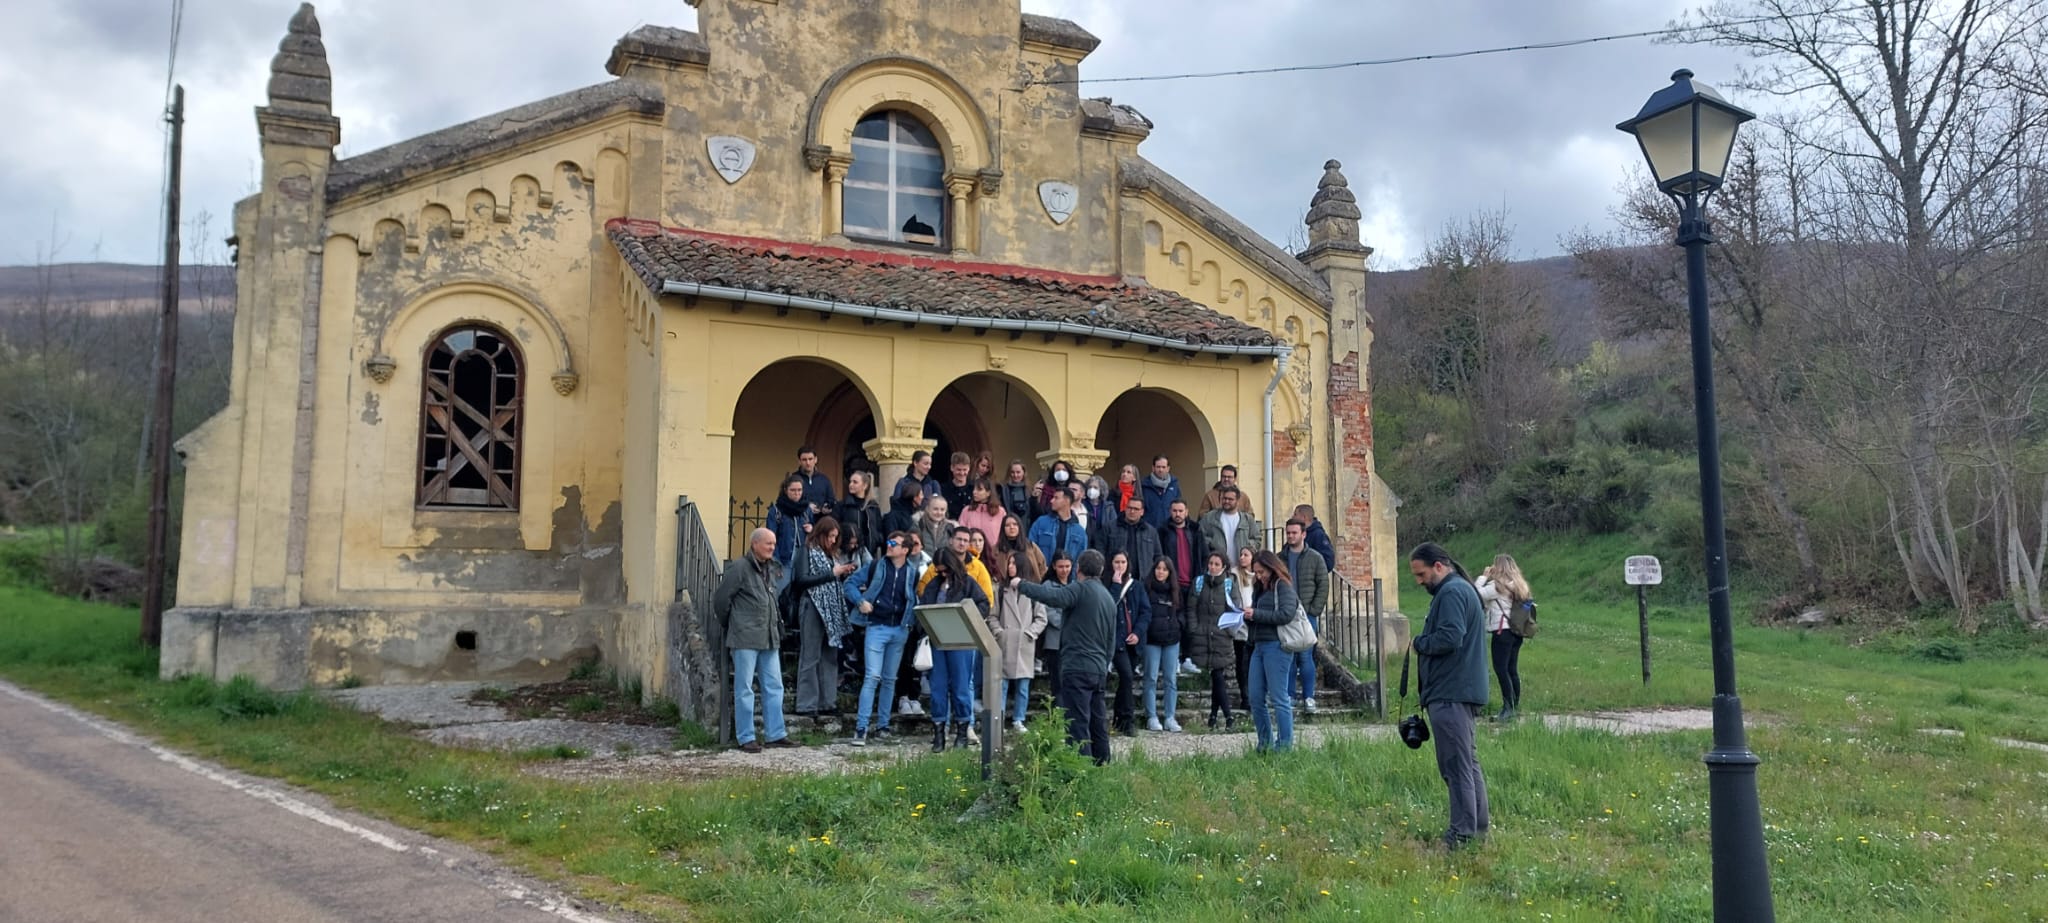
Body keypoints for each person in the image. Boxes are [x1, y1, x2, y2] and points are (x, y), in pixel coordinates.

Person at [1409, 542, 1492, 849]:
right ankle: (1476, 829)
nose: (1419, 581)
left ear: (1439, 566)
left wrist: (1420, 643)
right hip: (1458, 689)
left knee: (1456, 767)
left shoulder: (1452, 592)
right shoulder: (1459, 589)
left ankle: (1461, 834)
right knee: (1466, 763)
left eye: (1421, 574)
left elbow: (1450, 636)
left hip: (1451, 692)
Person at [1014, 549, 1117, 765]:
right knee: (1098, 722)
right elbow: (1111, 640)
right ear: (1101, 570)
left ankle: (1080, 769)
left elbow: (1052, 597)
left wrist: (1021, 584)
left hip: (1077, 667)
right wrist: (1104, 665)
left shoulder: (1079, 589)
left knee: (1077, 723)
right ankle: (1103, 765)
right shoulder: (1108, 597)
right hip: (1098, 668)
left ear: (1078, 568)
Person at [710, 528, 800, 753]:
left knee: (774, 686)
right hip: (745, 637)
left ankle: (775, 734)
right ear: (755, 544)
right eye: (768, 543)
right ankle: (746, 737)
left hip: (769, 637)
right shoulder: (740, 568)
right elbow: (721, 600)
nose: (772, 547)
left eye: (774, 543)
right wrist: (732, 624)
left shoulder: (770, 568)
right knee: (744, 689)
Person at [844, 531, 918, 746]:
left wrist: (910, 624)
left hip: (900, 629)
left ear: (905, 550)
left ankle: (883, 727)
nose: (889, 545)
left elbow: (913, 598)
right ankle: (861, 728)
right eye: (888, 541)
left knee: (889, 679)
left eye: (894, 543)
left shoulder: (912, 572)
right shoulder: (876, 566)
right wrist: (860, 602)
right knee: (872, 677)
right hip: (876, 627)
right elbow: (849, 584)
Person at [918, 546, 992, 752]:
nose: (943, 574)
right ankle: (939, 733)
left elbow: (984, 604)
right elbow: (923, 608)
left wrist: (966, 620)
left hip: (962, 641)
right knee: (938, 688)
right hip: (938, 641)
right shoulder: (933, 585)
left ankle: (962, 731)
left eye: (946, 570)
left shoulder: (968, 583)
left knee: (961, 687)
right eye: (939, 570)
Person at [790, 516, 858, 716]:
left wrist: (841, 572)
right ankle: (806, 704)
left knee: (829, 656)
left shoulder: (830, 555)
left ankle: (828, 702)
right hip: (812, 605)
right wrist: (832, 574)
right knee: (810, 656)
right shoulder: (806, 551)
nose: (833, 540)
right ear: (821, 534)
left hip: (831, 609)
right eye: (830, 536)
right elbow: (801, 580)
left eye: (836, 537)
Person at [1244, 549, 1303, 753]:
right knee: (1255, 697)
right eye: (1256, 572)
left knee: (1279, 698)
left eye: (1262, 571)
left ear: (1271, 568)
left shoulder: (1282, 585)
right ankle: (1265, 744)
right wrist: (1247, 616)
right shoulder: (1259, 588)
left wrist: (1256, 614)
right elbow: (1259, 614)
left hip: (1277, 646)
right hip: (1258, 645)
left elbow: (1286, 614)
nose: (1259, 576)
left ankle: (1284, 746)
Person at [990, 549, 1048, 733]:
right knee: (1002, 684)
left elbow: (1041, 618)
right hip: (1005, 642)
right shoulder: (1001, 590)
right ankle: (998, 719)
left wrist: (1030, 633)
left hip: (1024, 644)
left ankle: (1018, 719)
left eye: (1014, 563)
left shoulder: (1033, 591)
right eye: (1009, 563)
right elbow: (992, 617)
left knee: (1023, 686)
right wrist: (999, 632)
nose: (1010, 566)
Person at [1282, 519, 1330, 715]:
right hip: (1286, 614)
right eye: (1288, 533)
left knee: (1305, 656)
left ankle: (1309, 697)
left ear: (1303, 534)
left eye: (1294, 532)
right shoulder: (1280, 558)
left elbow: (1323, 584)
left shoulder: (1315, 558)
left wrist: (1313, 610)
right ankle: (1289, 695)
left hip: (1306, 614)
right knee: (1288, 656)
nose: (1290, 536)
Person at [1477, 553, 1532, 721]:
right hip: (1518, 630)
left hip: (1502, 631)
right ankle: (1514, 705)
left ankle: (1507, 708)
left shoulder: (1497, 586)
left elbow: (1475, 593)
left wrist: (1483, 576)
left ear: (1498, 567)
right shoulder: (1520, 585)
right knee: (1512, 669)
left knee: (1501, 669)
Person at [1188, 552, 1240, 729]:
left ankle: (1224, 716)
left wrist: (1229, 631)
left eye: (1217, 564)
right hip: (1202, 635)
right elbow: (1191, 608)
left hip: (1221, 636)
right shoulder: (1199, 583)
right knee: (1216, 676)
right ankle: (1217, 716)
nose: (1213, 567)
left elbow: (1235, 609)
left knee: (1217, 675)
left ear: (1223, 567)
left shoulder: (1229, 585)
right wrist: (1194, 629)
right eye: (1211, 563)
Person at [1103, 550, 1150, 737]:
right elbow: (1108, 607)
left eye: (1123, 562)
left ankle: (1119, 719)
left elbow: (1145, 612)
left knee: (1126, 680)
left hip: (1133, 641)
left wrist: (1138, 632)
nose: (1120, 566)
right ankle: (1128, 720)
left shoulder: (1136, 586)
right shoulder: (1106, 585)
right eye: (1116, 562)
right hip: (1116, 640)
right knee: (1127, 676)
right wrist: (1115, 585)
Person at [1157, 498, 1207, 674]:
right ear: (1170, 512)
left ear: (1186, 512)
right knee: (1174, 621)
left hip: (1192, 583)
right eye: (1174, 511)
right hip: (1173, 584)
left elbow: (1203, 555)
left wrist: (1200, 578)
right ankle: (1174, 659)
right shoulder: (1163, 531)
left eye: (1180, 511)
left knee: (1191, 621)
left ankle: (1187, 658)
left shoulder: (1195, 530)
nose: (1177, 514)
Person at [1140, 556, 1185, 732]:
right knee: (1150, 677)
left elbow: (1181, 612)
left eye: (1165, 569)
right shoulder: (1146, 588)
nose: (1161, 572)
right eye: (1158, 568)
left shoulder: (1175, 591)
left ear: (1169, 572)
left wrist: (1178, 625)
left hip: (1171, 639)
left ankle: (1170, 717)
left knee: (1170, 679)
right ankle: (1151, 716)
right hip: (1152, 639)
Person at [894, 532, 931, 720]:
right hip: (903, 617)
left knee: (917, 660)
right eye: (910, 543)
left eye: (917, 542)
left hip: (921, 617)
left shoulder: (930, 564)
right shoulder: (900, 564)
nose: (914, 546)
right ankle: (902, 697)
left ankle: (914, 697)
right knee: (904, 660)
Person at [1198, 484, 1260, 569]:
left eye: (1230, 499)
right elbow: (1200, 536)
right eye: (1224, 498)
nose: (1226, 501)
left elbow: (1257, 538)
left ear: (1237, 501)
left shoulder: (1247, 519)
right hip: (1218, 568)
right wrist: (1212, 543)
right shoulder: (1210, 518)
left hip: (1241, 568)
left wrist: (1247, 546)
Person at [1099, 496, 1162, 576]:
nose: (1132, 511)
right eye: (1129, 508)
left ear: (1142, 512)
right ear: (1125, 508)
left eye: (1136, 509)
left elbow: (1158, 557)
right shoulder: (1109, 528)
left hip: (1143, 579)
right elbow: (1100, 552)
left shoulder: (1151, 532)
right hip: (1115, 577)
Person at [1028, 485, 1089, 564]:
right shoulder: (1041, 522)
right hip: (1043, 570)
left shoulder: (1079, 531)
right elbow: (1030, 548)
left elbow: (1080, 558)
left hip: (1068, 571)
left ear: (1066, 501)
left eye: (1056, 498)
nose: (1051, 501)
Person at [1038, 551, 1073, 682]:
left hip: (1071, 642)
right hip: (1054, 641)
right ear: (1054, 566)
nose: (1064, 570)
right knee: (1057, 680)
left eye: (1067, 566)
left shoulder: (1074, 585)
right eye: (1061, 566)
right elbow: (1048, 612)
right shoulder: (1047, 586)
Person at [1230, 545, 1257, 716]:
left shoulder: (1258, 577)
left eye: (1246, 554)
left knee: (1255, 664)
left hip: (1256, 625)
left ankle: (1256, 696)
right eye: (1240, 554)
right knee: (1242, 663)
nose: (1242, 557)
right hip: (1240, 625)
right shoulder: (1234, 575)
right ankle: (1245, 697)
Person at [763, 476, 813, 567]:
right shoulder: (776, 510)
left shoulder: (806, 510)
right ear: (786, 490)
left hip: (803, 557)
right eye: (793, 490)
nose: (797, 493)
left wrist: (811, 528)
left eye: (799, 490)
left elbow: (815, 532)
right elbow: (770, 537)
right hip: (784, 558)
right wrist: (776, 560)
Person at [835, 470, 884, 558]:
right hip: (848, 552)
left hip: (870, 552)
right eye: (850, 481)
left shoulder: (873, 507)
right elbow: (835, 526)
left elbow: (879, 528)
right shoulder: (842, 505)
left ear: (865, 486)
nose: (851, 485)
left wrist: (877, 539)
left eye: (855, 482)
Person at [958, 477, 1007, 544]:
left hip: (993, 549)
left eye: (979, 489)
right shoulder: (967, 510)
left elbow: (1004, 534)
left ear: (988, 493)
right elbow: (961, 532)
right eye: (974, 489)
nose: (974, 492)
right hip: (971, 549)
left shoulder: (1000, 511)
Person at [790, 446, 836, 516]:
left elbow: (832, 500)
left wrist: (827, 507)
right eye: (804, 460)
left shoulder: (824, 479)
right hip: (800, 519)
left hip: (821, 519)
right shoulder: (792, 479)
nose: (808, 463)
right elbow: (786, 502)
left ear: (815, 460)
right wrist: (806, 507)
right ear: (799, 461)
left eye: (810, 459)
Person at [1140, 455, 1182, 529]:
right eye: (1158, 467)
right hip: (1150, 529)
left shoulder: (1174, 484)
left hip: (1170, 529)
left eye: (1163, 467)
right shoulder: (1144, 485)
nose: (1161, 470)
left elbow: (1179, 506)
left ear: (1168, 468)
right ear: (1153, 468)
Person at [1292, 503, 1338, 571]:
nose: (1292, 517)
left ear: (1303, 517)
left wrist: (1311, 571)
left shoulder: (1318, 535)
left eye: (1295, 514)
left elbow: (1328, 562)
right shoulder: (1297, 534)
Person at [912, 495, 956, 562]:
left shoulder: (950, 528)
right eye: (935, 509)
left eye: (942, 509)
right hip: (922, 565)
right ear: (928, 509)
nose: (939, 512)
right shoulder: (918, 525)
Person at [997, 459, 1036, 523]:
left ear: (1023, 472)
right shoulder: (1002, 490)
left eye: (1018, 472)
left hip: (1026, 524)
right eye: (1012, 472)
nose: (1015, 475)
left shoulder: (1029, 490)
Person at [940, 451, 976, 516]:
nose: (962, 473)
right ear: (952, 468)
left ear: (969, 468)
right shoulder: (943, 489)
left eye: (964, 470)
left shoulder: (975, 488)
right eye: (959, 470)